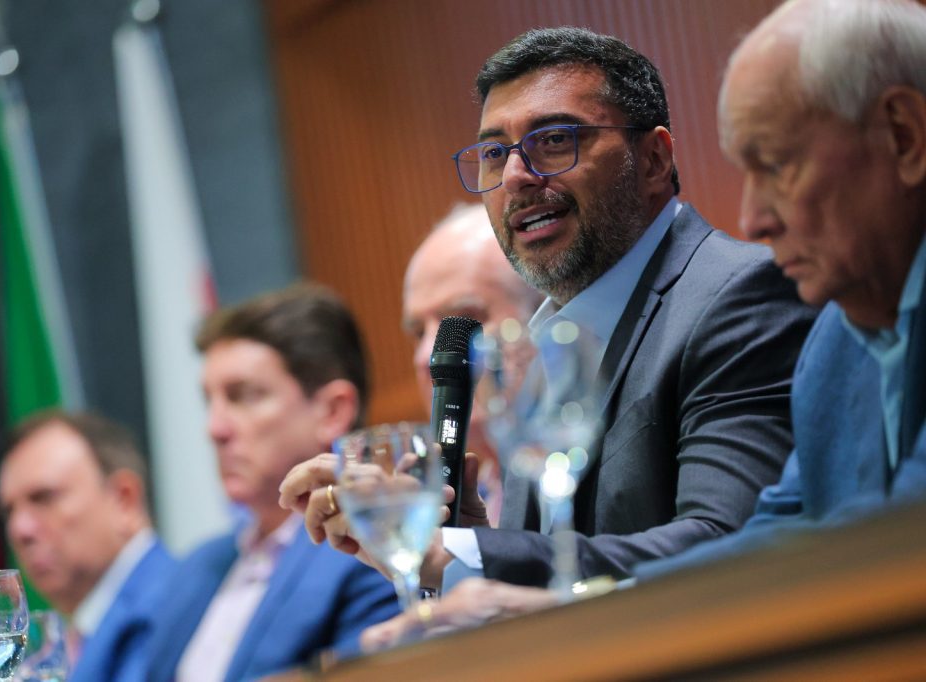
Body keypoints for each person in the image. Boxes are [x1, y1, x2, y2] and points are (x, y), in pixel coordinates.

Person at [282, 26, 816, 600]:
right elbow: (563, 575)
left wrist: (464, 555)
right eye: (494, 153)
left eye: (555, 140)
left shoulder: (739, 295)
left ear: (654, 159)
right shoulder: (541, 344)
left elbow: (728, 546)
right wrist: (467, 544)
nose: (516, 176)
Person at [631, 0, 926, 578]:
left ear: (904, 136)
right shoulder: (834, 342)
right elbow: (778, 539)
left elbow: (900, 539)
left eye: (776, 165)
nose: (754, 220)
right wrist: (566, 606)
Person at [144, 284, 400, 681]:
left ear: (332, 411)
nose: (214, 428)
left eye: (244, 396)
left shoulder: (376, 550)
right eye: (209, 401)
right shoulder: (196, 567)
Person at [0, 410, 174, 681]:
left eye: (43, 497)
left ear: (124, 500)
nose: (19, 529)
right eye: (9, 511)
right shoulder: (59, 648)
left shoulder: (170, 608)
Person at [402, 202, 543, 523]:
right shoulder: (462, 500)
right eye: (418, 332)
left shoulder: (578, 470)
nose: (426, 356)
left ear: (542, 316)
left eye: (465, 318)